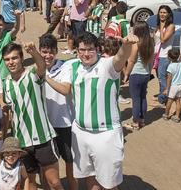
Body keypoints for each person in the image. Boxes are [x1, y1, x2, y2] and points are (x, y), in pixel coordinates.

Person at [46, 32, 139, 190]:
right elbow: (53, 69)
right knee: (89, 177)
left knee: (109, 184)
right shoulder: (73, 66)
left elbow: (120, 58)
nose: (85, 54)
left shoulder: (107, 65)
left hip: (105, 133)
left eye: (90, 50)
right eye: (81, 50)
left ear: (98, 49)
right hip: (80, 133)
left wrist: (126, 45)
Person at [2, 42, 63, 190]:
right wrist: (4, 134)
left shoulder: (32, 73)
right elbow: (9, 113)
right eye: (7, 59)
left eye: (14, 58)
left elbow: (42, 66)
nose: (11, 62)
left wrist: (34, 52)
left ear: (22, 58)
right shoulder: (6, 84)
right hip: (21, 142)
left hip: (43, 137)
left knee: (53, 182)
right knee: (30, 182)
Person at [39, 34, 77, 190]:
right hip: (45, 126)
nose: (48, 56)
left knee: (70, 162)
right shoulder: (35, 69)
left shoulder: (65, 66)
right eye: (44, 51)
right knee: (45, 165)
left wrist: (45, 77)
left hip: (65, 123)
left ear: (56, 52)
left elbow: (65, 89)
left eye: (51, 52)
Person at [123, 22, 155, 131]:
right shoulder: (150, 43)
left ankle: (135, 122)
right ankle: (142, 120)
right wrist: (149, 72)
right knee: (142, 97)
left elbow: (131, 60)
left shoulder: (136, 44)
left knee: (135, 99)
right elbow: (151, 61)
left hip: (135, 74)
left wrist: (126, 74)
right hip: (145, 73)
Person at [0, 13, 21, 80]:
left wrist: (17, 17)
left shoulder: (7, 36)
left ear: (4, 26)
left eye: (0, 25)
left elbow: (16, 28)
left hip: (5, 78)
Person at [153, 5, 175, 104]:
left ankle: (163, 99)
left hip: (165, 56)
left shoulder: (171, 26)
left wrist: (162, 27)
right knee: (160, 76)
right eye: (160, 12)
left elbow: (163, 40)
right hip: (157, 55)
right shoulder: (159, 25)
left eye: (164, 12)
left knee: (163, 77)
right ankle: (162, 94)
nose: (162, 14)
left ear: (169, 14)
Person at [162, 49, 181, 123]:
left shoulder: (170, 66)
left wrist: (166, 89)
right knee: (178, 100)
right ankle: (177, 117)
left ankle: (166, 114)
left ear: (169, 57)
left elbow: (169, 79)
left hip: (174, 86)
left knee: (170, 101)